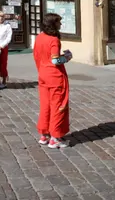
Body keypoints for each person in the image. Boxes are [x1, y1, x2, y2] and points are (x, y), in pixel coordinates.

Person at [34, 13, 72, 150]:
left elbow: (38, 56)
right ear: (53, 25)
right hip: (55, 77)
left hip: (43, 75)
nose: (60, 25)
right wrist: (67, 57)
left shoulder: (39, 37)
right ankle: (55, 138)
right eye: (58, 23)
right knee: (58, 106)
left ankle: (44, 134)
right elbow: (55, 60)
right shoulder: (53, 40)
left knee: (45, 106)